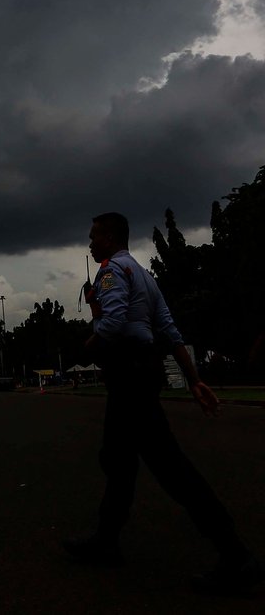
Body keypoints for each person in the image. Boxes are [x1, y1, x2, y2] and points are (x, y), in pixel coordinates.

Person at [63, 212, 262, 594]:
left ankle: (237, 556)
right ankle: (106, 538)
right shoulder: (146, 278)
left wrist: (86, 348)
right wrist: (195, 379)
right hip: (141, 373)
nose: (89, 244)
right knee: (118, 460)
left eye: (93, 237)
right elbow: (169, 331)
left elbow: (113, 323)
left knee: (170, 468)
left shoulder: (111, 273)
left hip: (129, 376)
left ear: (109, 238)